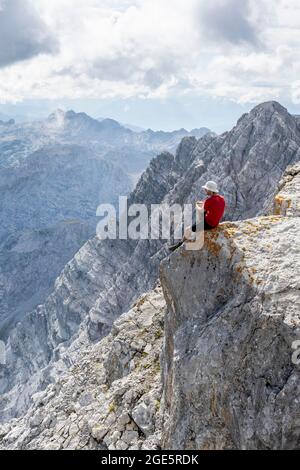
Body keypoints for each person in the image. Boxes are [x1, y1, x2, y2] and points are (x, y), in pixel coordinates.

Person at [168, 181, 226, 252]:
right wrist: (204, 204)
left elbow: (201, 210)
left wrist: (197, 206)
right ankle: (197, 225)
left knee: (188, 229)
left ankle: (179, 244)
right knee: (203, 212)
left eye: (206, 189)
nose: (205, 190)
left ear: (211, 191)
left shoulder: (209, 200)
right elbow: (213, 206)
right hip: (216, 222)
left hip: (209, 224)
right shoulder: (222, 199)